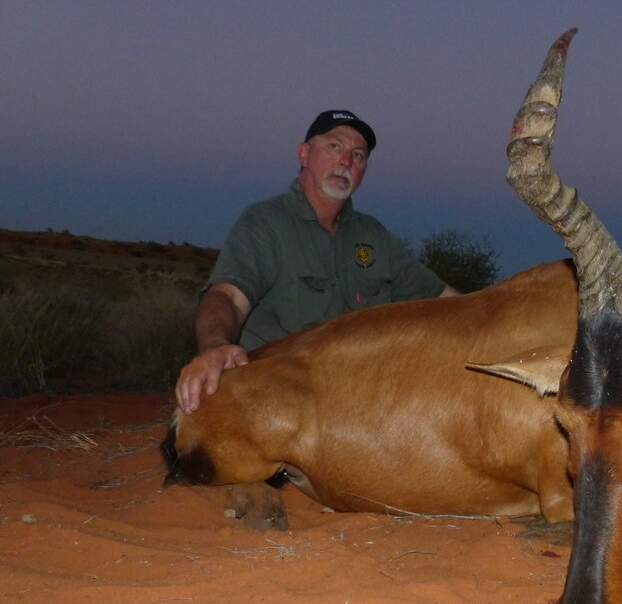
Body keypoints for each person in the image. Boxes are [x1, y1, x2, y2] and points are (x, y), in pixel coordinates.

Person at [175, 109, 460, 414]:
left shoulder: (374, 236)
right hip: (281, 403)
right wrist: (215, 348)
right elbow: (228, 296)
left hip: (364, 403)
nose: (346, 161)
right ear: (304, 154)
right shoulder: (266, 223)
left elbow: (448, 303)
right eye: (334, 147)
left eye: (359, 155)